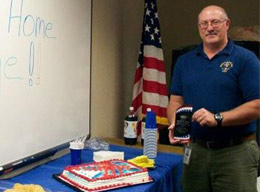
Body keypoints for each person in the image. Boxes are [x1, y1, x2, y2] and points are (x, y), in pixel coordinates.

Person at [168, 5, 260, 192]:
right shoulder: (185, 61)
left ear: (227, 24)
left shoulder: (246, 59)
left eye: (215, 22)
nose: (209, 27)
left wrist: (217, 118)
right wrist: (175, 124)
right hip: (195, 152)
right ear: (199, 27)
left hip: (235, 153)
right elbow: (176, 100)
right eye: (204, 23)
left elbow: (257, 105)